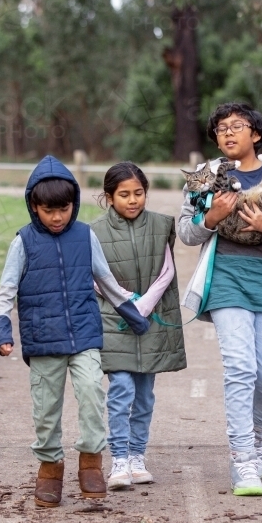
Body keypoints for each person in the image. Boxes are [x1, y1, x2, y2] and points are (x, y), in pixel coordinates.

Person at [177, 102, 262, 496]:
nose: (227, 133)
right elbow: (186, 232)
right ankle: (242, 459)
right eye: (221, 129)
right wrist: (211, 219)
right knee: (241, 367)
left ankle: (258, 439)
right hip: (225, 279)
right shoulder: (205, 178)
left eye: (236, 126)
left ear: (255, 134)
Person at [0, 155, 149, 508]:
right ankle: (50, 467)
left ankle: (91, 462)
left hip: (83, 335)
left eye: (64, 209)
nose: (58, 217)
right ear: (34, 206)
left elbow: (106, 281)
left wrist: (134, 314)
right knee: (46, 409)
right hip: (43, 339)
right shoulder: (23, 242)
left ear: (73, 204)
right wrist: (4, 332)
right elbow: (5, 291)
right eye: (49, 210)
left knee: (93, 392)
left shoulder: (84, 236)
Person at [91, 162, 187, 490]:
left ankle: (136, 456)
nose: (132, 200)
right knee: (121, 390)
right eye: (124, 194)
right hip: (114, 321)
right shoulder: (93, 232)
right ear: (109, 197)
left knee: (145, 396)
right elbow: (93, 276)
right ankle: (118, 459)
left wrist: (145, 304)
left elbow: (167, 270)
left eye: (139, 193)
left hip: (151, 323)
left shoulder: (161, 225)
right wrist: (127, 302)